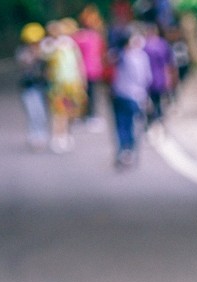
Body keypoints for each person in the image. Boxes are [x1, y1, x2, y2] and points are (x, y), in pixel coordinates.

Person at [42, 19, 87, 153]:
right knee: (59, 112)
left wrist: (82, 78)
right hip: (58, 85)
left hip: (72, 84)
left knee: (71, 111)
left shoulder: (69, 44)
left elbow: (78, 62)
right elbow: (45, 57)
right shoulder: (49, 45)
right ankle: (58, 136)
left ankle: (65, 134)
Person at [110, 28, 151, 166]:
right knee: (133, 124)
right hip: (137, 95)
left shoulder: (120, 56)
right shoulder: (142, 57)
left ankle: (124, 149)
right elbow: (147, 78)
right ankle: (130, 150)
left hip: (121, 94)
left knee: (122, 124)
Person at [16, 22, 50, 150]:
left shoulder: (45, 49)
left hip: (42, 86)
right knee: (33, 111)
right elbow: (24, 63)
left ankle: (41, 134)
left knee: (41, 112)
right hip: (28, 86)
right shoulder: (22, 52)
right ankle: (34, 135)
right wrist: (34, 54)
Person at [74, 6, 108, 129]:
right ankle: (88, 115)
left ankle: (87, 115)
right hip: (89, 69)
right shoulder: (92, 36)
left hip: (87, 70)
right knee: (89, 94)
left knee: (88, 94)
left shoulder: (81, 36)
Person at [142, 23, 175, 120]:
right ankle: (158, 116)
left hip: (149, 77)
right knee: (159, 99)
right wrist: (169, 77)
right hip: (160, 76)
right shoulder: (163, 44)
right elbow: (168, 63)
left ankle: (154, 117)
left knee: (152, 99)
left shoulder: (145, 45)